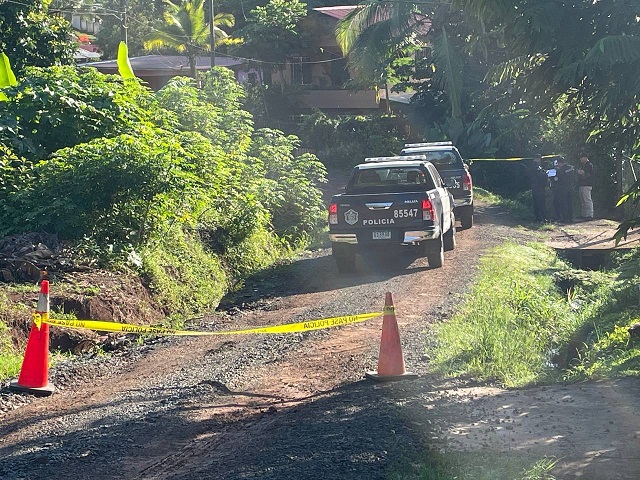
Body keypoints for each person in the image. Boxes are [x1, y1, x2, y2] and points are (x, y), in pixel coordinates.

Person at [554, 157, 576, 223]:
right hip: (570, 187)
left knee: (564, 203)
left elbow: (557, 179)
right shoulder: (571, 168)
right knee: (570, 202)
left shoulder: (560, 170)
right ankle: (571, 218)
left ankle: (565, 218)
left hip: (563, 188)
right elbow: (574, 177)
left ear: (559, 163)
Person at [527, 153, 548, 222]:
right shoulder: (535, 166)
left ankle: (538, 217)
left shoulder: (534, 166)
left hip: (535, 186)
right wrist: (546, 174)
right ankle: (543, 218)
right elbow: (540, 175)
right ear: (537, 159)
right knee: (541, 202)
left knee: (536, 202)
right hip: (538, 187)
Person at [577, 153, 594, 219]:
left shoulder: (589, 165)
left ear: (586, 158)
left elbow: (584, 173)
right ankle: (584, 214)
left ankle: (590, 214)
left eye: (582, 157)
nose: (580, 159)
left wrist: (581, 172)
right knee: (582, 200)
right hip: (581, 184)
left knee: (587, 200)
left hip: (587, 184)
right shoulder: (582, 165)